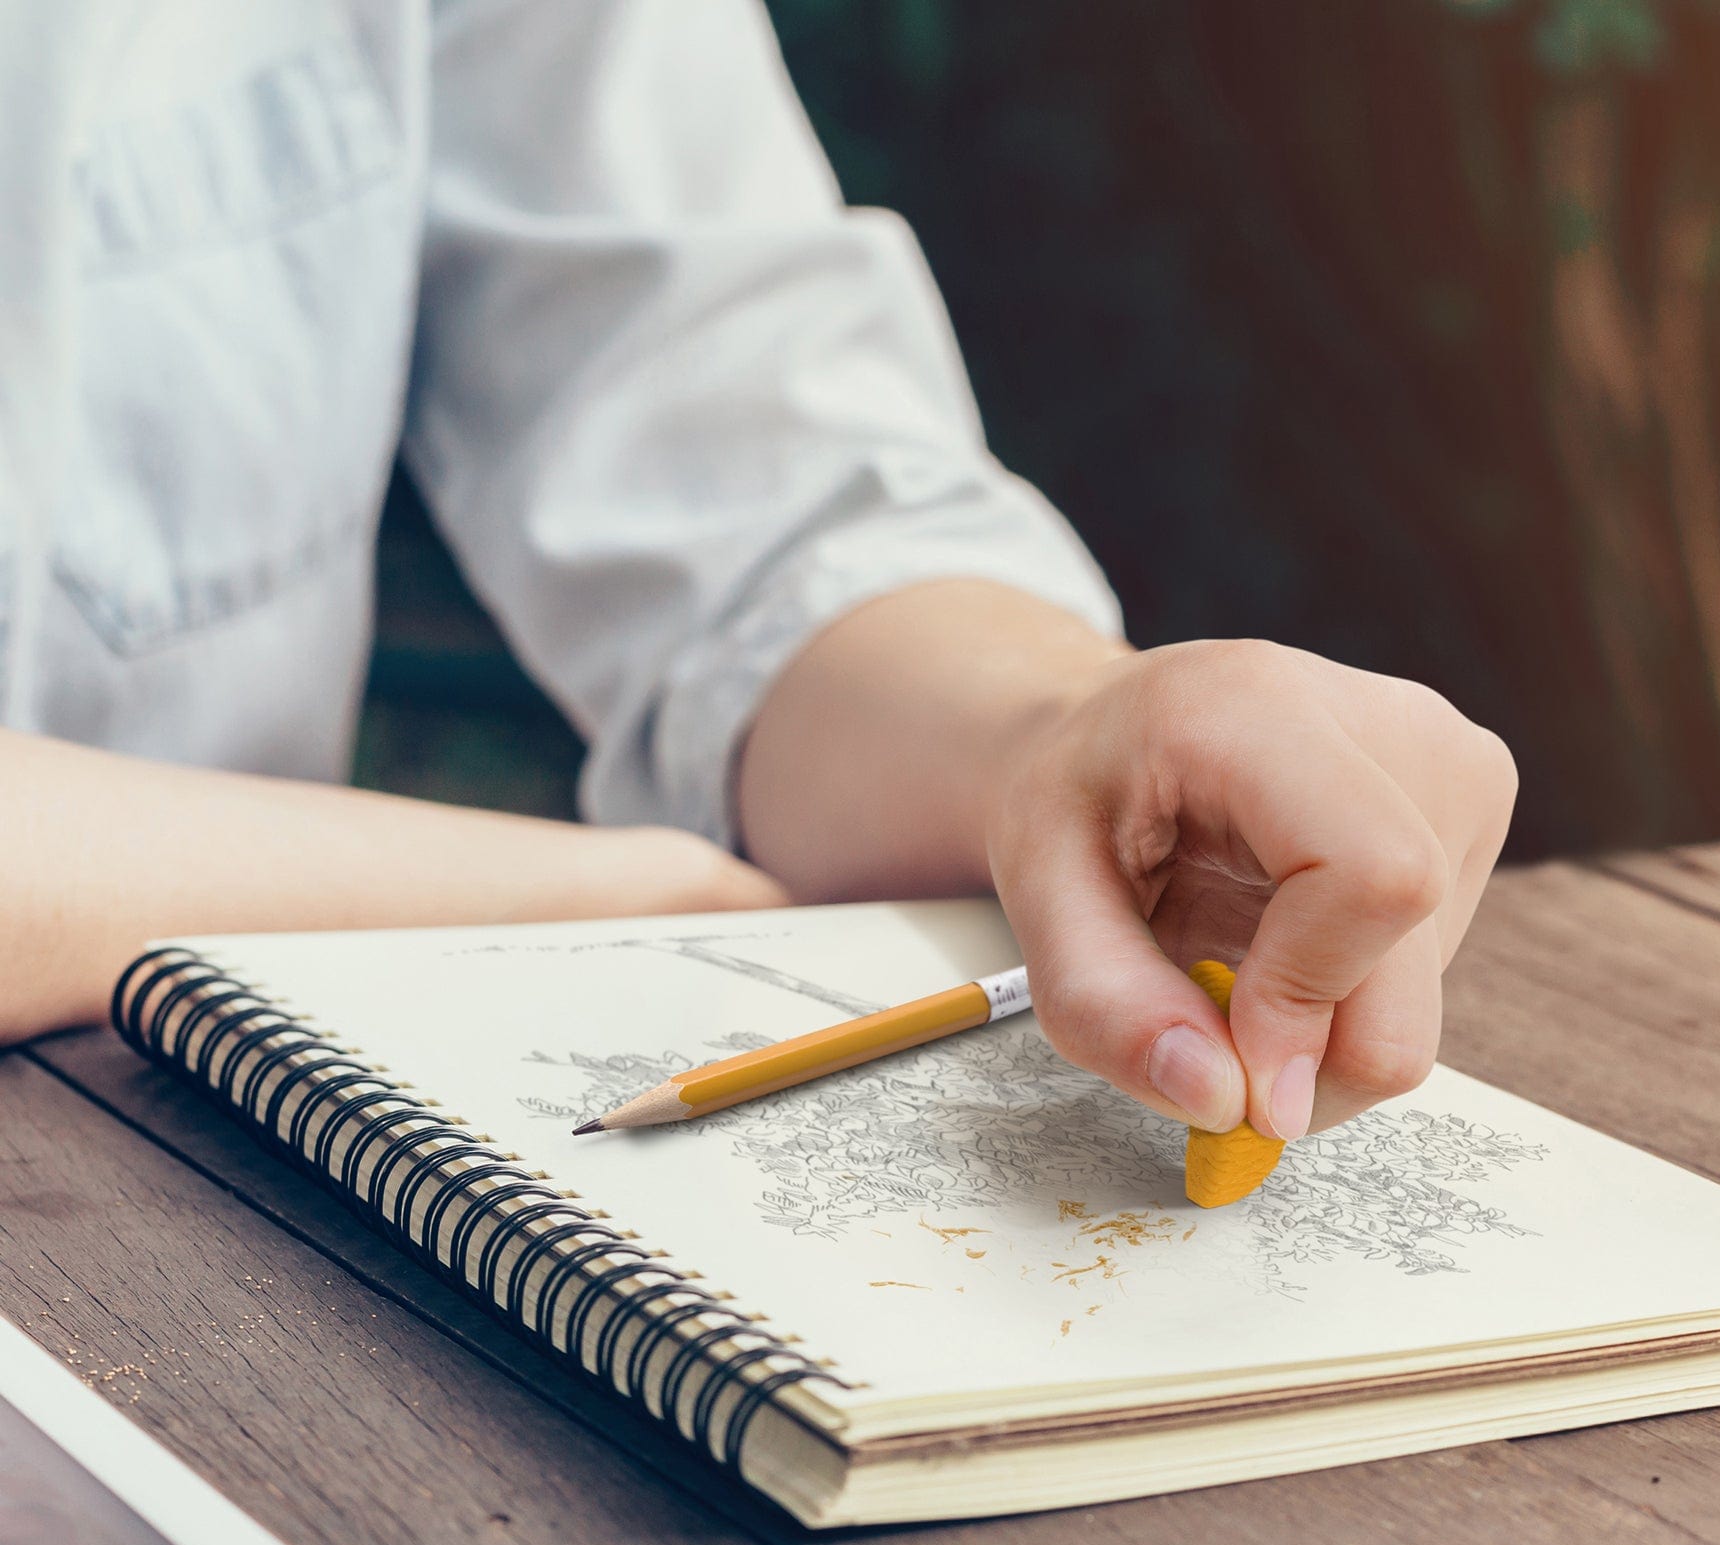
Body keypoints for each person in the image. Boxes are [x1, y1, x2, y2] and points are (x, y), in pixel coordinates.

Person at [0, 0, 1515, 1145]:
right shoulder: (611, 902)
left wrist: (1065, 737)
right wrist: (627, 900)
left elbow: (749, 476)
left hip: (189, 1184)